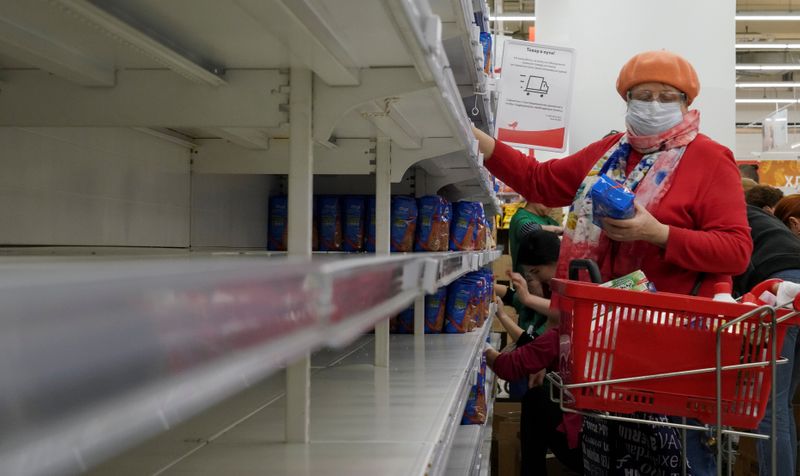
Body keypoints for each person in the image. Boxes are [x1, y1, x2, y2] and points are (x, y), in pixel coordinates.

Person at [477, 50, 752, 475]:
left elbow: (735, 249)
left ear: (686, 103)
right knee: (607, 454)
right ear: (627, 100)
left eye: (667, 95)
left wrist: (657, 233)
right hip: (602, 350)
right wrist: (485, 145)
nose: (654, 104)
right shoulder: (608, 153)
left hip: (672, 353)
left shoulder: (710, 159)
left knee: (678, 459)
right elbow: (540, 181)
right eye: (643, 94)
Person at [487, 230, 582, 475]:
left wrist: (482, 348)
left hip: (583, 445)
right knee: (539, 395)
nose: (531, 282)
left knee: (533, 400)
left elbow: (508, 366)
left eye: (533, 275)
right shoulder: (583, 319)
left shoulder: (559, 331)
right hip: (600, 435)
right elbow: (516, 300)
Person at [734, 195, 800, 476]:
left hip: (780, 289)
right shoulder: (756, 217)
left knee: (770, 409)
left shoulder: (723, 214)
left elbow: (728, 262)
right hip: (791, 284)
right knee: (783, 405)